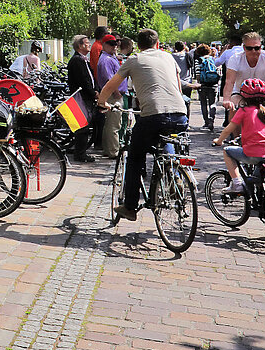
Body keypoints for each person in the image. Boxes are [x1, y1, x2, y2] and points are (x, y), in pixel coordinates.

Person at [96, 29, 187, 221]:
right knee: (165, 136)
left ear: (138, 45)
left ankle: (129, 206)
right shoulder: (168, 57)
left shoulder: (134, 59)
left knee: (135, 156)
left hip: (152, 114)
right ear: (158, 43)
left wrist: (102, 101)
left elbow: (111, 85)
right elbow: (178, 87)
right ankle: (172, 173)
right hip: (180, 114)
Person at [213, 78, 265, 193]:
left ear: (243, 96)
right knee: (257, 181)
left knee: (227, 151)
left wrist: (219, 141)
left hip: (253, 154)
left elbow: (227, 130)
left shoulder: (244, 111)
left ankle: (237, 183)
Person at [223, 32, 265, 120]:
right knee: (234, 110)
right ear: (244, 48)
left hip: (264, 95)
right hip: (240, 94)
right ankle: (235, 134)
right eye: (249, 48)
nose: (253, 51)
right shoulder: (235, 58)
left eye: (257, 48)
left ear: (261, 47)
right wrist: (226, 100)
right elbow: (229, 82)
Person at [66, 34, 98, 163]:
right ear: (79, 46)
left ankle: (81, 151)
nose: (89, 45)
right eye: (86, 43)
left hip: (85, 96)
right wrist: (93, 93)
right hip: (81, 97)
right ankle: (80, 153)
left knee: (85, 126)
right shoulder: (77, 61)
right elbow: (83, 80)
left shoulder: (82, 59)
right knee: (82, 126)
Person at [92, 35, 124, 157]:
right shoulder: (106, 59)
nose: (114, 46)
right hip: (113, 95)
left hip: (113, 94)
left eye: (115, 44)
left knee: (111, 124)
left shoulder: (110, 57)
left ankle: (109, 148)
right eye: (111, 44)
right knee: (113, 125)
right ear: (104, 45)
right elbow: (109, 79)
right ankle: (113, 151)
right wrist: (116, 92)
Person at [194, 44, 220, 132]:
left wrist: (198, 83)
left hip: (203, 85)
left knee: (203, 104)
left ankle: (206, 121)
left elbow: (197, 74)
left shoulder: (198, 60)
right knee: (212, 103)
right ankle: (211, 119)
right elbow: (218, 71)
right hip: (213, 84)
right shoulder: (213, 59)